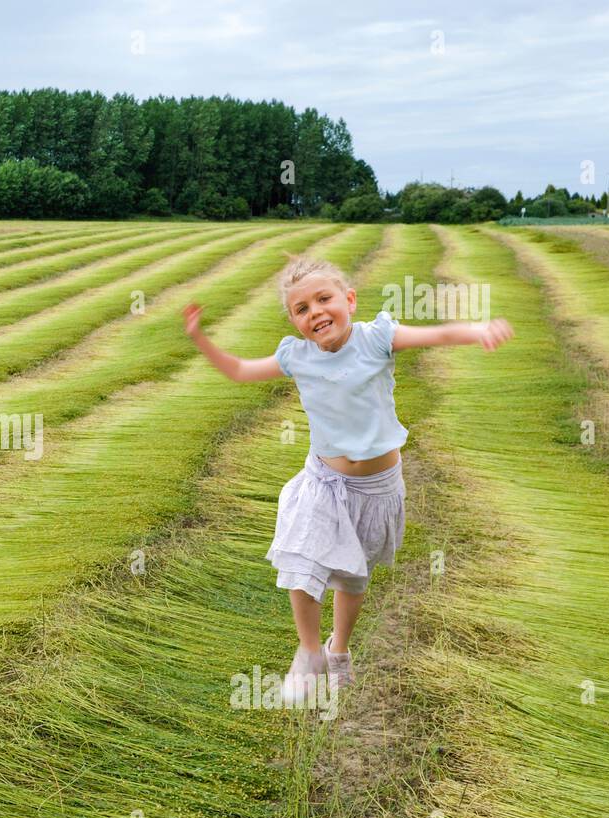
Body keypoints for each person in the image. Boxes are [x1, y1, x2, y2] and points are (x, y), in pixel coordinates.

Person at [182, 254, 513, 707]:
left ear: (349, 300)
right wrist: (201, 338)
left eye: (324, 299)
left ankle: (339, 652)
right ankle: (310, 651)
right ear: (295, 322)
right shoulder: (296, 356)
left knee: (351, 581)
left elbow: (436, 335)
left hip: (377, 489)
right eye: (302, 309)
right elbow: (239, 370)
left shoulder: (377, 339)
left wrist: (478, 331)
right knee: (301, 559)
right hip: (324, 481)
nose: (315, 312)